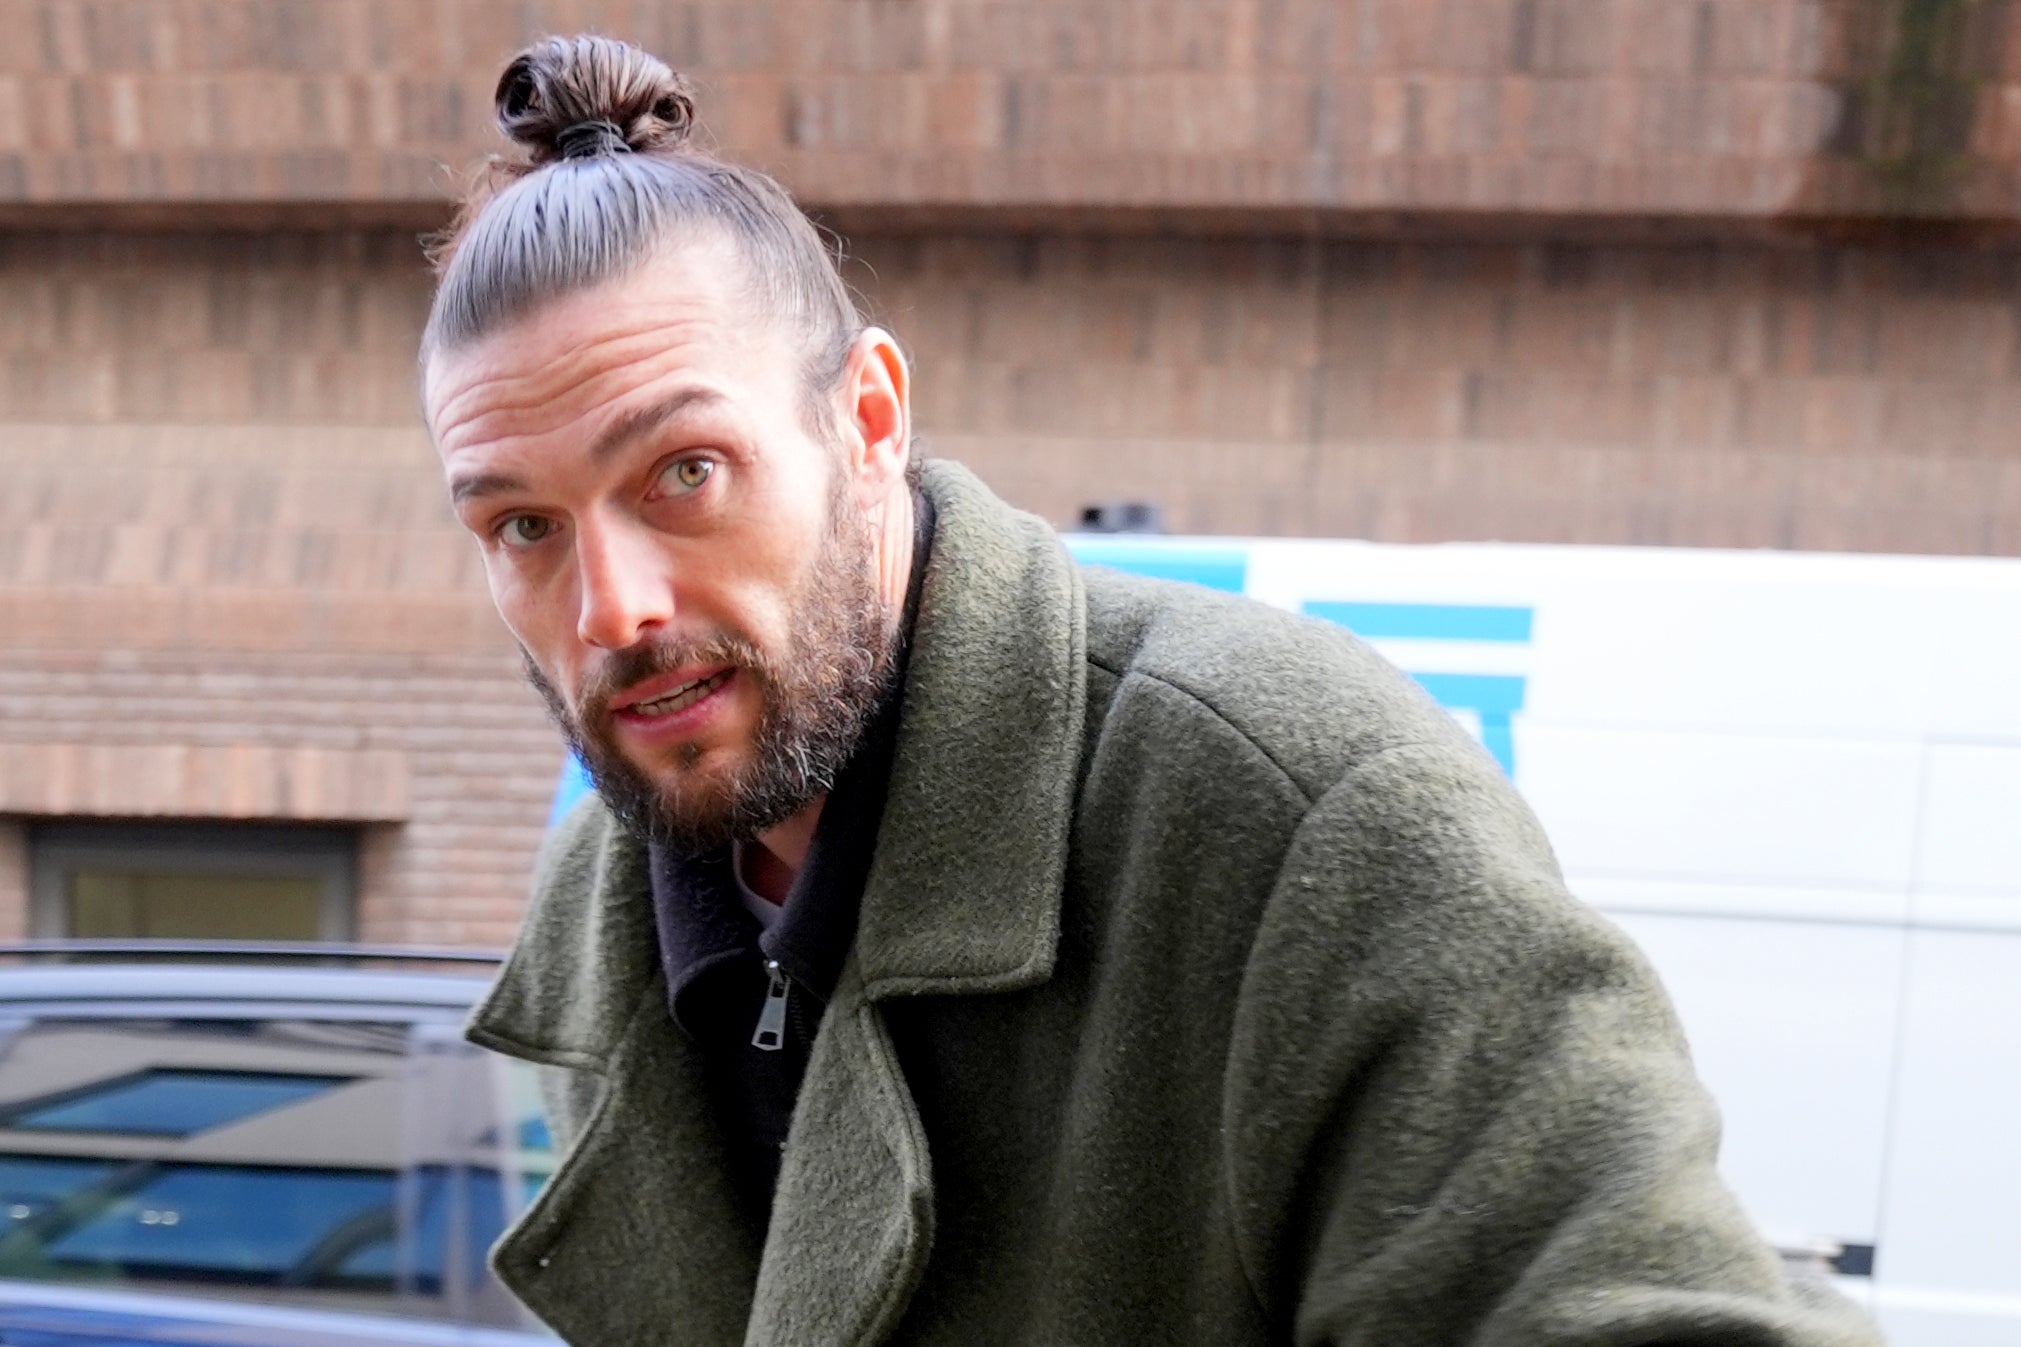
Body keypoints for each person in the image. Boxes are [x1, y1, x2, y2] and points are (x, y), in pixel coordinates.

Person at [423, 34, 1880, 1347]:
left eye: (684, 473)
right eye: (524, 527)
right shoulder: (604, 903)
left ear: (867, 421)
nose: (611, 610)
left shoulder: (1295, 809)